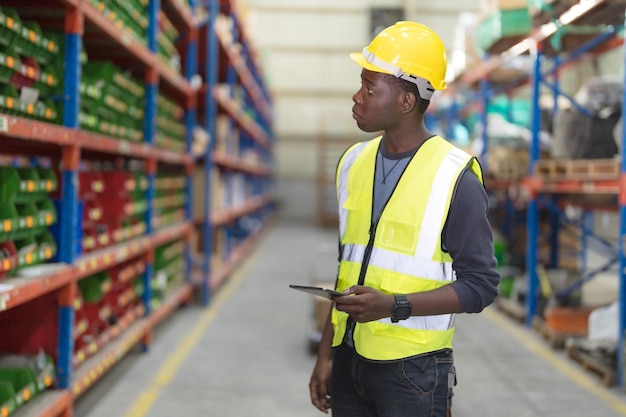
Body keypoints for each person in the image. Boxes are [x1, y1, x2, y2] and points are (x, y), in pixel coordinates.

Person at [308, 21, 500, 417]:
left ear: (406, 100)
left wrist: (395, 305)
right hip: (349, 358)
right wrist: (326, 353)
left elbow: (481, 286)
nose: (356, 97)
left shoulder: (455, 176)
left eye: (369, 86)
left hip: (414, 372)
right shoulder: (352, 164)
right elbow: (346, 270)